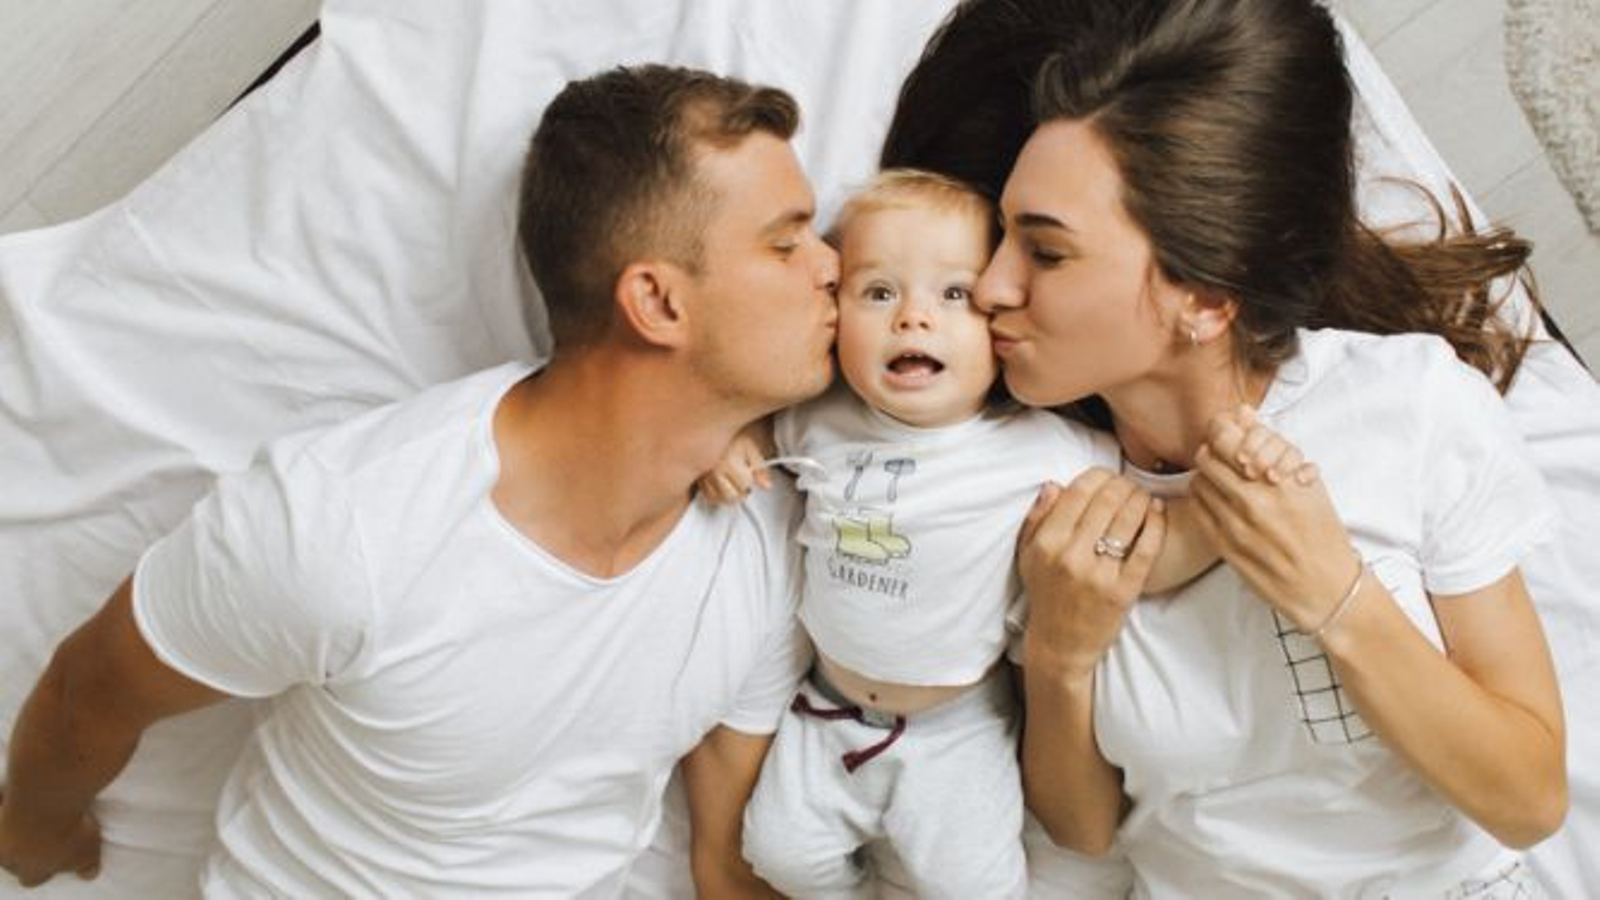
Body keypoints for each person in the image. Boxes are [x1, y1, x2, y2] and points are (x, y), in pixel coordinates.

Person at [0, 64, 839, 896]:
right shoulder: (346, 527)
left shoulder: (766, 545)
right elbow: (90, 689)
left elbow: (720, 864)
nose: (832, 265)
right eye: (786, 242)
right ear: (656, 302)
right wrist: (32, 833)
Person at [883, 0, 1567, 895]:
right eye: (1002, 236)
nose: (993, 286)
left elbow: (1529, 798)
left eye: (1045, 254)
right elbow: (1084, 830)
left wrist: (1335, 596)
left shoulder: (1405, 405)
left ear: (1204, 299)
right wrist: (1060, 650)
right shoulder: (1026, 479)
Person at [699, 169, 1290, 898]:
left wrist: (1222, 503)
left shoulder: (1041, 448)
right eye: (879, 293)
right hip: (826, 713)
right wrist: (730, 443)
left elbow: (1142, 548)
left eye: (954, 295)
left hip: (955, 730)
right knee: (777, 854)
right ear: (836, 313)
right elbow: (749, 418)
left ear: (1000, 330)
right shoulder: (818, 418)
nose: (913, 319)